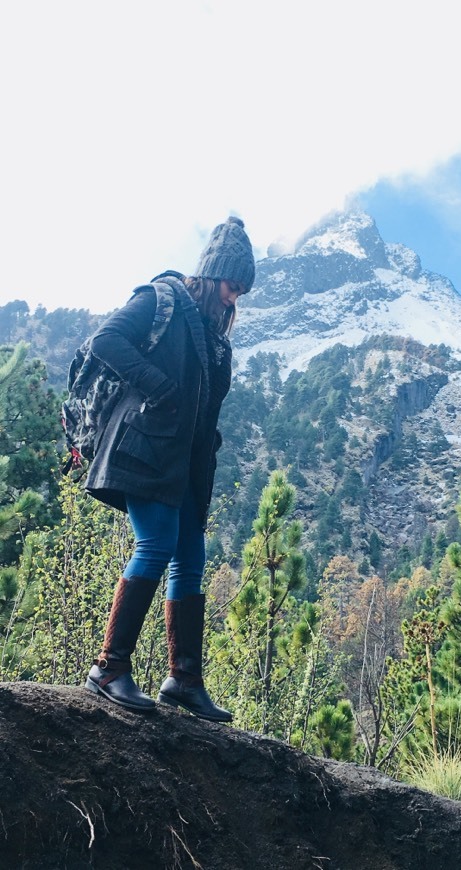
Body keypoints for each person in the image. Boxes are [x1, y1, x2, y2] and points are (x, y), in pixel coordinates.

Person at [84, 216, 255, 722]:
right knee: (156, 545)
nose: (234, 298)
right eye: (232, 285)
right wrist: (158, 387)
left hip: (184, 466)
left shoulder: (212, 334)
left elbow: (203, 405)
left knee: (190, 559)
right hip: (144, 450)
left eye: (242, 291)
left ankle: (183, 681)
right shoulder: (161, 298)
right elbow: (106, 340)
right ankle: (109, 669)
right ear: (213, 273)